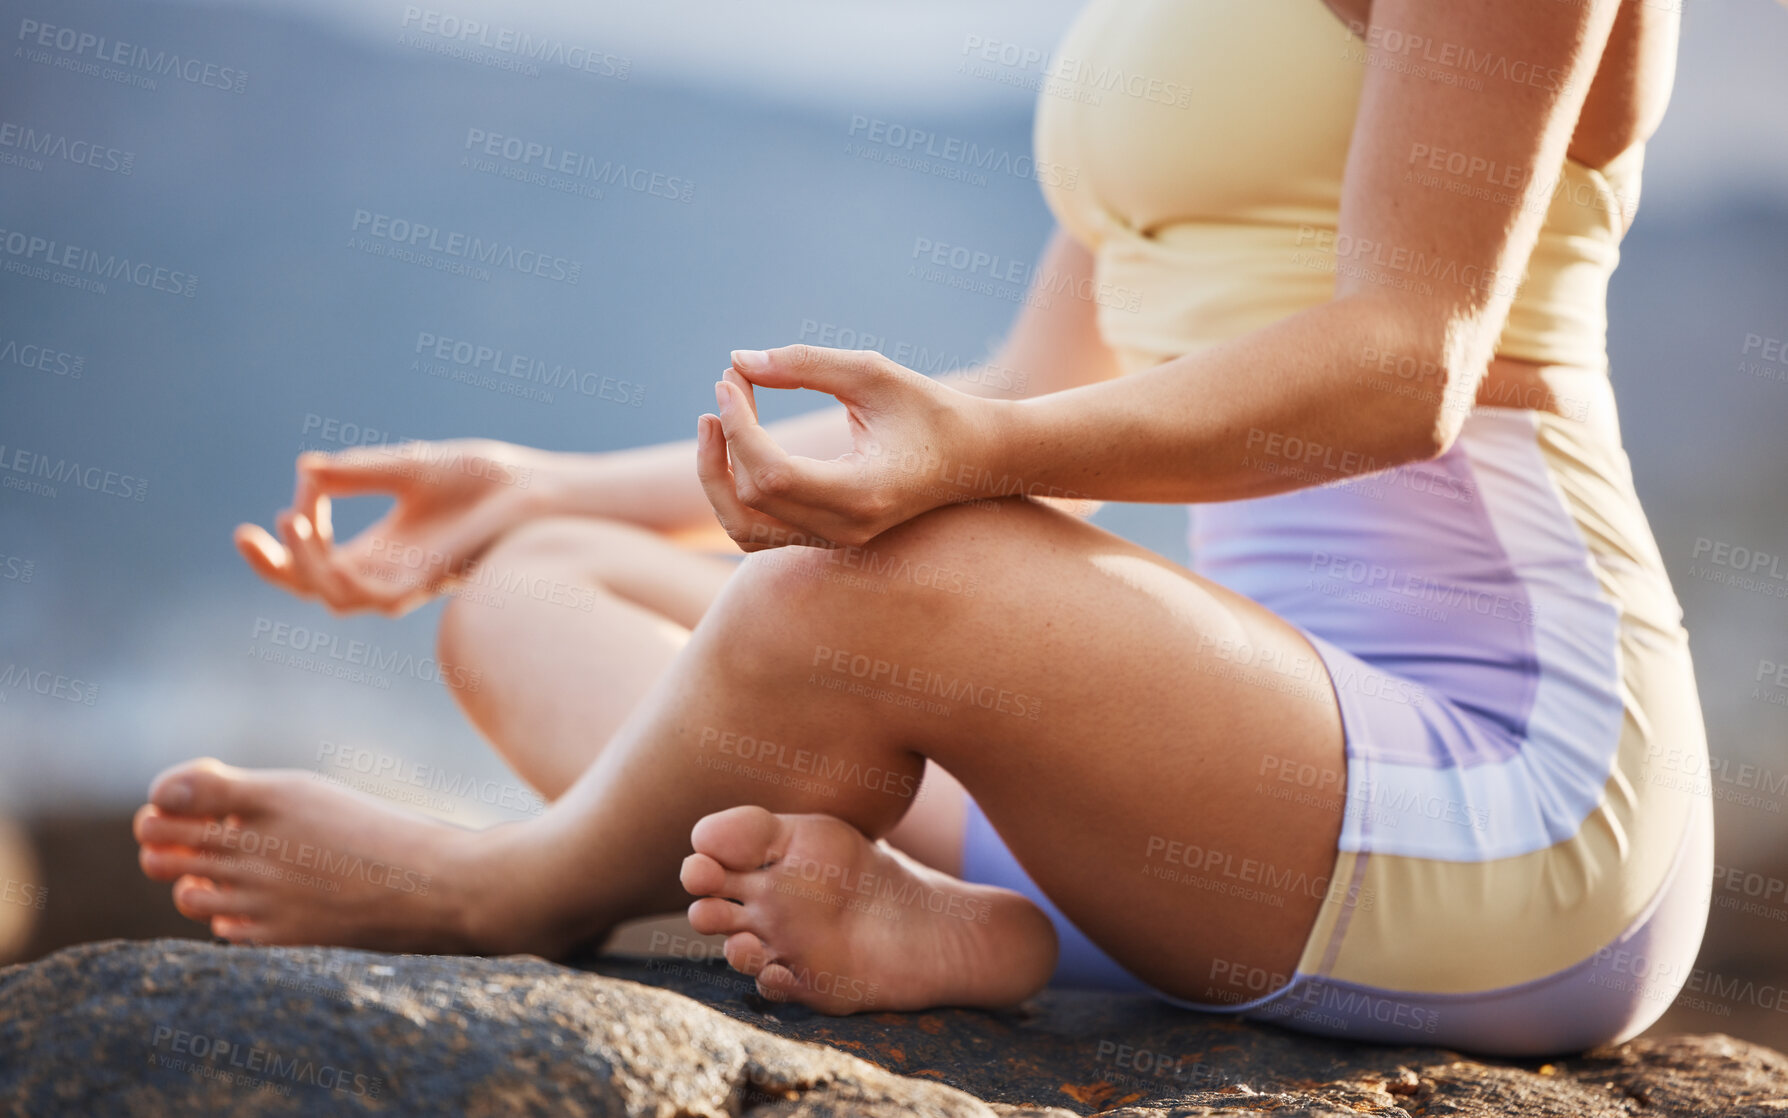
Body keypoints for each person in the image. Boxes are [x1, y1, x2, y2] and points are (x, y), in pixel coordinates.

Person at [134, 0, 1711, 1054]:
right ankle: (1008, 926)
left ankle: (503, 887)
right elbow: (1032, 392)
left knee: (857, 594)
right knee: (530, 591)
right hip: (1220, 790)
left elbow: (1404, 363)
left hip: (1509, 793)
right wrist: (545, 486)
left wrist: (975, 461)